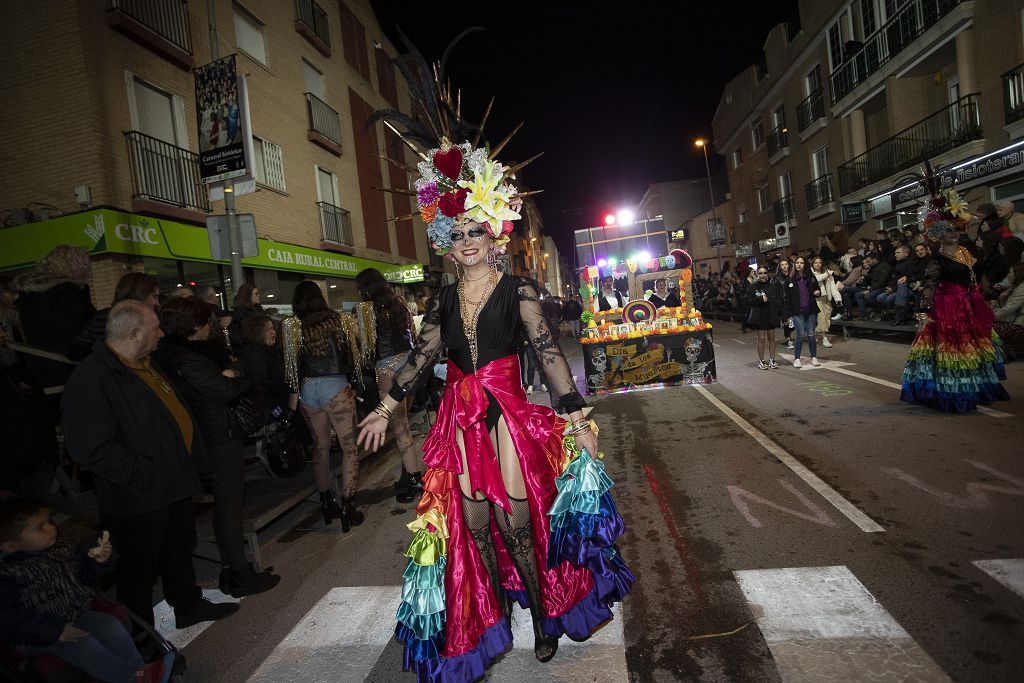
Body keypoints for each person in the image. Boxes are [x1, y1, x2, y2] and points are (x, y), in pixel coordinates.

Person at [356, 108, 632, 677]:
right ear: (445, 242)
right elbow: (421, 357)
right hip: (459, 414)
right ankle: (495, 612)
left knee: (516, 524)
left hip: (505, 412)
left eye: (474, 231)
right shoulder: (440, 302)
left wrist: (576, 416)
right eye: (455, 235)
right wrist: (384, 406)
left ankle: (544, 617)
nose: (465, 242)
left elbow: (547, 352)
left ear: (492, 235)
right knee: (475, 524)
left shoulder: (519, 289)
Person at [62, 301, 239, 627]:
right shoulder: (91, 379)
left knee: (178, 552)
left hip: (172, 484)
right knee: (138, 572)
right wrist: (147, 473)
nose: (161, 333)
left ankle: (187, 606)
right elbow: (92, 450)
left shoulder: (144, 363)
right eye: (155, 328)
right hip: (138, 496)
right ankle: (141, 637)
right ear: (134, 334)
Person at [154, 297, 280, 598]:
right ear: (194, 326)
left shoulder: (184, 353)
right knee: (229, 504)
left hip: (215, 431)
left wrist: (233, 371)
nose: (213, 326)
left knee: (229, 503)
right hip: (217, 436)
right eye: (207, 322)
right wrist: (239, 374)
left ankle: (235, 569)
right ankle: (238, 572)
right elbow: (223, 390)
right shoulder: (184, 357)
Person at [0, 498, 144, 683]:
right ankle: (130, 679)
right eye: (40, 527)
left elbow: (83, 579)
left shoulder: (61, 548)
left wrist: (97, 562)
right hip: (38, 634)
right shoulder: (8, 573)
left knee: (110, 625)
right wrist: (54, 630)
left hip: (74, 614)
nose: (52, 528)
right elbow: (9, 619)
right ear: (11, 545)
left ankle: (140, 669)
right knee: (85, 646)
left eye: (50, 521)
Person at [901, 183, 1009, 412]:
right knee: (956, 352)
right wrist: (923, 314)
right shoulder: (937, 259)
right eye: (948, 230)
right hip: (949, 308)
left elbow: (979, 277)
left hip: (971, 306)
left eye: (956, 229)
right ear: (938, 233)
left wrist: (990, 295)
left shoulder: (967, 251)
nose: (954, 234)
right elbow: (930, 287)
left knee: (976, 350)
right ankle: (956, 394)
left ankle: (979, 389)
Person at [282, 281, 364, 530]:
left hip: (309, 391)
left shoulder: (293, 327)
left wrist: (292, 400)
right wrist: (354, 383)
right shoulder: (338, 321)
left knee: (320, 449)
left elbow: (291, 368)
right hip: (335, 388)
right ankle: (349, 506)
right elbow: (352, 356)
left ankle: (327, 503)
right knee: (349, 449)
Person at [354, 268, 423, 504]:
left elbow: (365, 348)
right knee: (404, 425)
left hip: (387, 371)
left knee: (401, 429)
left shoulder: (366, 310)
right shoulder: (399, 305)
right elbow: (412, 335)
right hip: (411, 367)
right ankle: (409, 472)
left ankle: (414, 478)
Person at [14, 245, 95, 388]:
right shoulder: (67, 295)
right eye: (84, 265)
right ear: (71, 266)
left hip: (41, 372)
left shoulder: (31, 297)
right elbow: (78, 337)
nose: (88, 270)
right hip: (75, 372)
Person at [69, 272, 161, 361]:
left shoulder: (106, 318)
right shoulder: (106, 320)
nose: (157, 303)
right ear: (140, 294)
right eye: (154, 297)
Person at [785, 256, 821, 368]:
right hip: (797, 311)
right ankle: (797, 359)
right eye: (797, 262)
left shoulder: (810, 277)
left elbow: (818, 290)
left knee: (811, 334)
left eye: (801, 263)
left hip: (810, 310)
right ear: (794, 265)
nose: (799, 264)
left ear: (805, 265)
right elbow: (787, 298)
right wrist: (786, 314)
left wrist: (818, 293)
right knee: (800, 335)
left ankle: (814, 357)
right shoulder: (789, 280)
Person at [745, 265, 783, 369]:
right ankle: (761, 361)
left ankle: (772, 360)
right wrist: (760, 300)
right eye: (760, 273)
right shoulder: (752, 287)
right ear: (757, 274)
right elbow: (748, 301)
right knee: (761, 339)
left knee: (772, 339)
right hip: (759, 316)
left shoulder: (772, 286)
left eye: (765, 273)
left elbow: (777, 301)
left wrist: (781, 314)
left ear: (767, 274)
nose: (763, 275)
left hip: (771, 315)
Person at [810, 257, 840, 347]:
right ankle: (824, 338)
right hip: (817, 299)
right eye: (815, 263)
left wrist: (838, 298)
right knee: (821, 318)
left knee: (827, 320)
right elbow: (817, 279)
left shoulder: (827, 274)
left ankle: (815, 332)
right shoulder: (811, 274)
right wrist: (827, 274)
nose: (818, 264)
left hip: (827, 299)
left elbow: (833, 287)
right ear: (813, 264)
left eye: (819, 262)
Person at [228, 283, 263, 349]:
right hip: (251, 350)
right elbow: (237, 339)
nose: (259, 295)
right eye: (256, 294)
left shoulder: (259, 311)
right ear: (247, 296)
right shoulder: (239, 314)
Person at [774, 260, 795, 349]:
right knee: (787, 321)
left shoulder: (793, 275)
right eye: (782, 265)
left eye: (786, 264)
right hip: (783, 302)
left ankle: (790, 337)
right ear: (779, 267)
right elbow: (776, 293)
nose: (784, 266)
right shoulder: (777, 278)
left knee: (794, 322)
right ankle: (788, 340)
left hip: (794, 301)